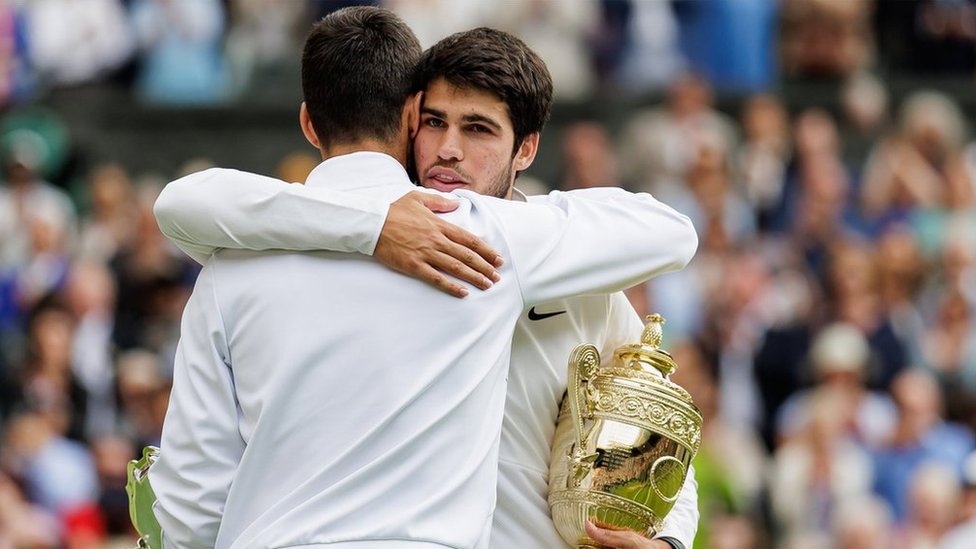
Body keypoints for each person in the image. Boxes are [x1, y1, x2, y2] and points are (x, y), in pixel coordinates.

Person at [148, 8, 699, 549]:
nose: (448, 148)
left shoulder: (541, 254)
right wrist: (372, 226)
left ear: (527, 148)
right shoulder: (287, 234)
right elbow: (185, 202)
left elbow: (662, 427)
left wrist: (669, 541)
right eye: (435, 122)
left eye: (478, 129)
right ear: (411, 118)